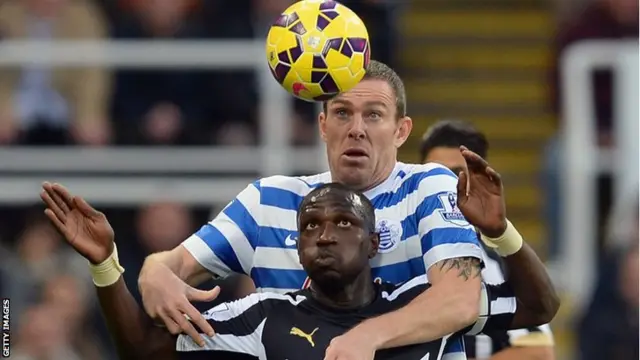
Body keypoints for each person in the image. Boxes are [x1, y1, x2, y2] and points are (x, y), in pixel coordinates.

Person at [135, 60, 559, 360]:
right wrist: (153, 274)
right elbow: (172, 264)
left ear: (400, 131)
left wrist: (367, 337)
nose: (356, 127)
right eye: (342, 113)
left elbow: (460, 300)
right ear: (323, 125)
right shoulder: (267, 201)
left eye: (373, 114)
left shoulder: (428, 186)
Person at [41, 182, 542, 360]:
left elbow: (540, 306)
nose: (324, 234)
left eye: (343, 222)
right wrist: (107, 264)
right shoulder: (263, 316)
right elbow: (143, 351)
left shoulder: (419, 305)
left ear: (372, 244)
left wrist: (501, 233)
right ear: (297, 246)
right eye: (310, 226)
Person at [419, 120, 555, 360]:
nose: (443, 187)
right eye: (433, 175)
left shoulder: (494, 261)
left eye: (455, 175)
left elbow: (538, 351)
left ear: (478, 179)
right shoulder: (395, 246)